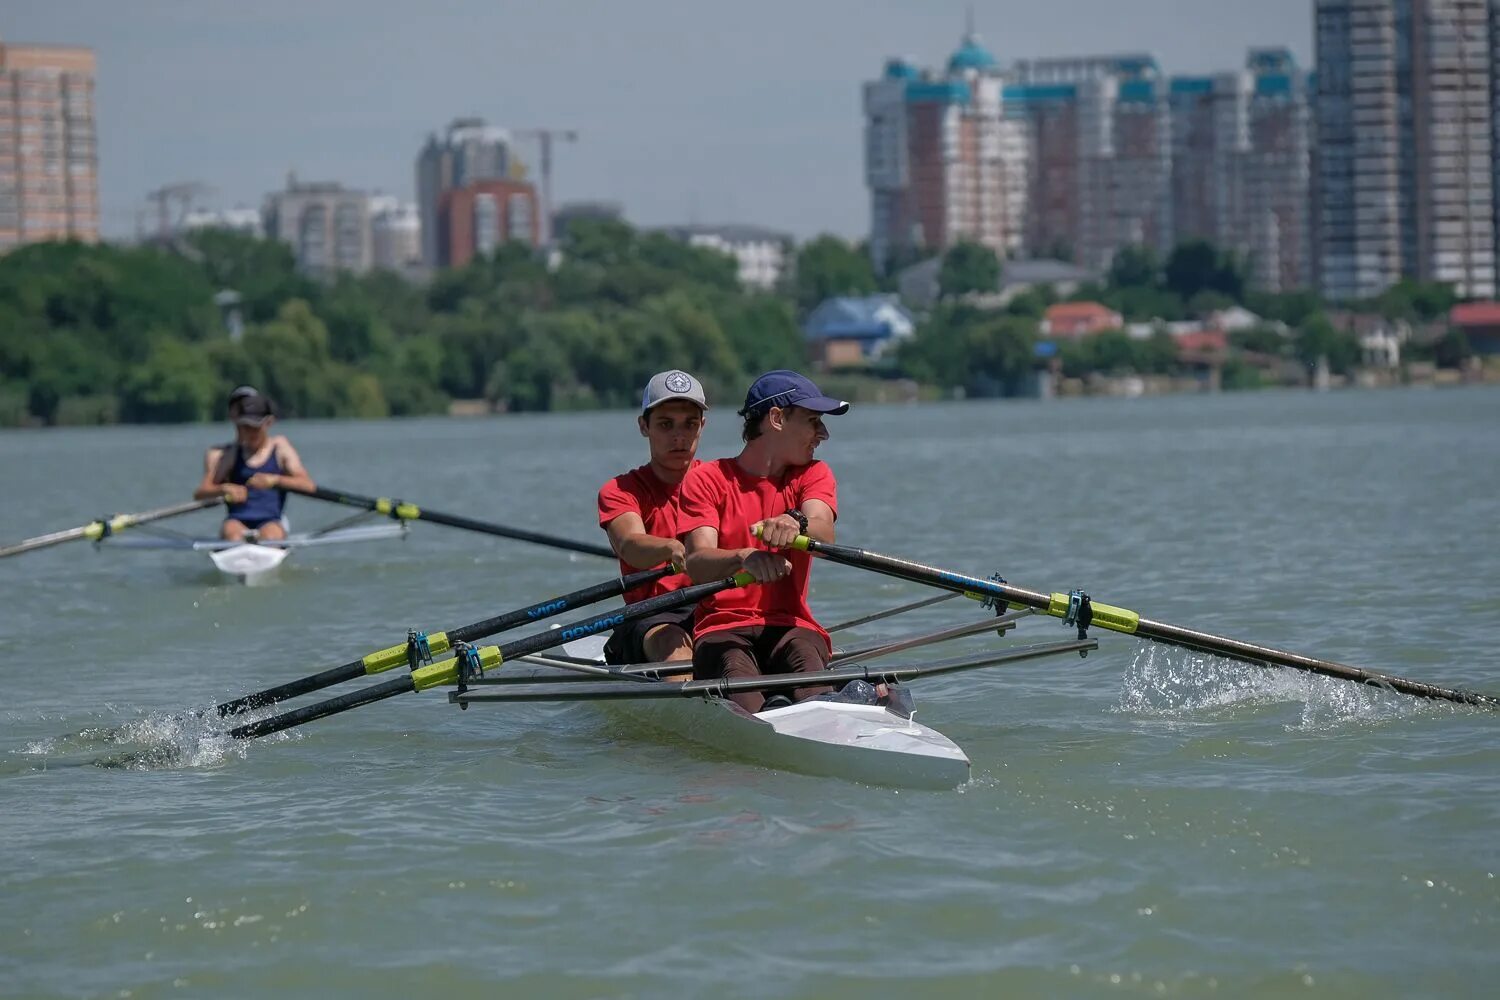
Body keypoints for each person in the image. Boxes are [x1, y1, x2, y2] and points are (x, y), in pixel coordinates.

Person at [679, 370, 848, 713]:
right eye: (814, 420)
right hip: (722, 630)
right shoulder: (707, 480)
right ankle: (760, 720)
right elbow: (697, 563)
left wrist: (796, 521)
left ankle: (821, 714)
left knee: (804, 656)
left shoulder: (813, 474)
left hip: (791, 625)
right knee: (738, 677)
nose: (823, 434)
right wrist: (744, 557)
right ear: (776, 418)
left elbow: (823, 529)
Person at [596, 370, 709, 672]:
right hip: (654, 616)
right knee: (672, 643)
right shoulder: (621, 490)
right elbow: (631, 545)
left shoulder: (722, 482)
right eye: (665, 424)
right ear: (644, 426)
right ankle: (692, 708)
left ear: (703, 426)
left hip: (713, 607)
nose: (679, 437)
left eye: (690, 425)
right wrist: (671, 548)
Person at [193, 388, 315, 541]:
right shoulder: (230, 454)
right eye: (245, 427)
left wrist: (275, 480)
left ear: (269, 423)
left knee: (271, 536)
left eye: (255, 427)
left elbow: (308, 486)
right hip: (236, 520)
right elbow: (201, 492)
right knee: (232, 533)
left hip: (270, 520)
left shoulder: (280, 448)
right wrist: (223, 488)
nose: (249, 432)